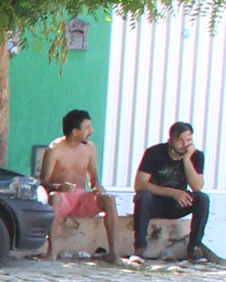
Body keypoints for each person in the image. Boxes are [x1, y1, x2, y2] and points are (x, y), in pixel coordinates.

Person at [40, 108, 136, 264]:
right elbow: (42, 181)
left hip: (82, 197)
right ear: (75, 131)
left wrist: (98, 186)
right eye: (87, 128)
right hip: (63, 197)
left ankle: (113, 252)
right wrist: (59, 187)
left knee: (108, 199)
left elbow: (94, 177)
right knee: (54, 198)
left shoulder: (90, 148)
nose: (92, 131)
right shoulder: (55, 149)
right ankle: (52, 251)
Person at [134, 120, 212, 260]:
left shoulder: (196, 156)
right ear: (170, 140)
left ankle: (194, 247)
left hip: (178, 204)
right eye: (180, 140)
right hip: (155, 202)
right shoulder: (154, 153)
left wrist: (187, 160)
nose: (184, 145)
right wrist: (172, 192)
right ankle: (140, 248)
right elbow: (140, 184)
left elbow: (197, 186)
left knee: (202, 199)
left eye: (188, 140)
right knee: (143, 196)